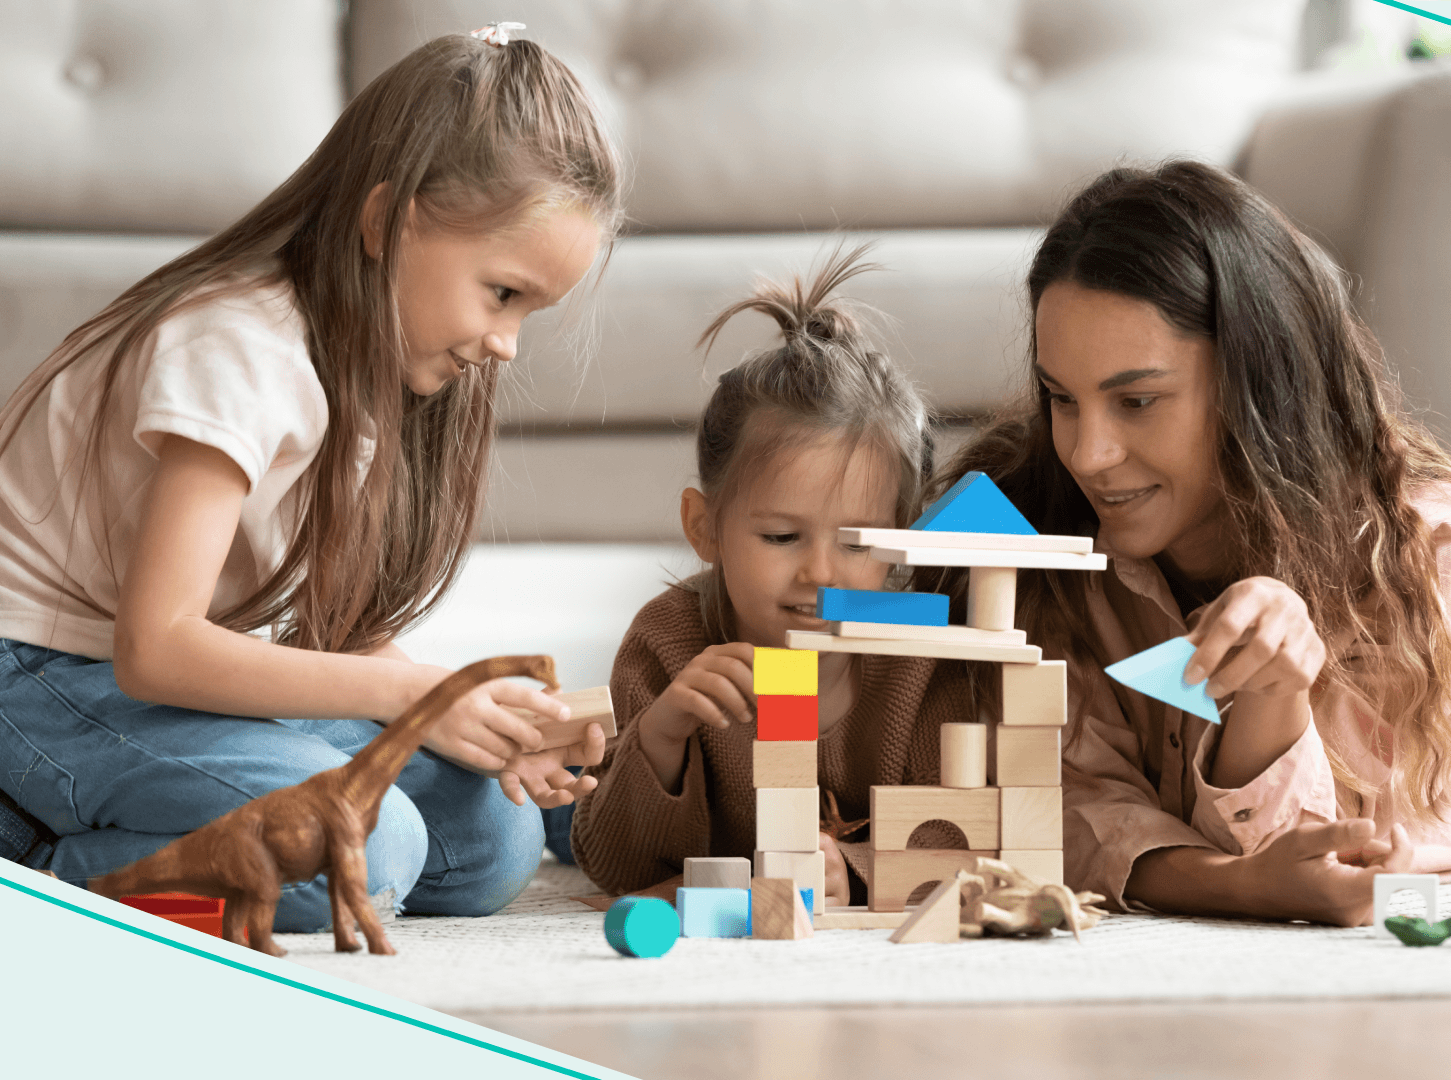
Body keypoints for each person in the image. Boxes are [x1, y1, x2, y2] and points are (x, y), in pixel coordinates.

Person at [0, 31, 620, 927]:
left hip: (146, 684)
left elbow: (318, 627)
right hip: (41, 671)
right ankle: (41, 874)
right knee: (366, 849)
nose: (506, 344)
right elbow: (157, 647)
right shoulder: (238, 348)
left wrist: (460, 709)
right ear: (386, 223)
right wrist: (408, 696)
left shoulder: (362, 364)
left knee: (490, 837)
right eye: (503, 294)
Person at [938, 161, 1451, 926]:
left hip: (1448, 738)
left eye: (1137, 401)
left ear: (1257, 384)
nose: (1087, 453)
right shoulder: (1031, 536)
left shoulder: (1423, 542)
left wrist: (1276, 697)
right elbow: (1055, 814)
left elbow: (1346, 858)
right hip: (1203, 774)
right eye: (1062, 398)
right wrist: (1240, 886)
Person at [570, 248, 977, 905]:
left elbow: (962, 844)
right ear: (705, 529)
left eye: (855, 543)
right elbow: (616, 869)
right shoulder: (666, 643)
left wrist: (857, 866)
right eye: (782, 537)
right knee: (564, 804)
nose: (818, 572)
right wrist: (661, 733)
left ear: (901, 541)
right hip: (633, 809)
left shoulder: (920, 656)